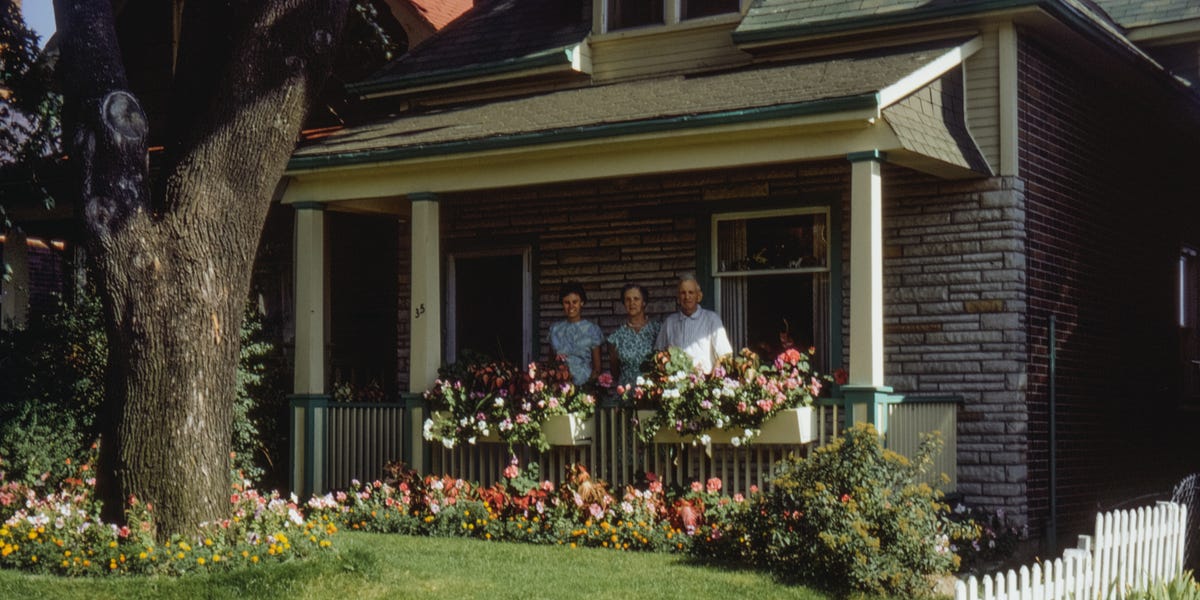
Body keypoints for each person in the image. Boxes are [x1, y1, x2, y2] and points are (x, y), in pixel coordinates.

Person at [655, 274, 733, 373]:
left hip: (703, 382)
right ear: (678, 297)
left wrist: (713, 381)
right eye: (683, 293)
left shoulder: (712, 319)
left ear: (699, 296)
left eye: (691, 292)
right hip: (675, 383)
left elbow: (724, 354)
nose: (687, 297)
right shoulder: (669, 322)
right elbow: (658, 353)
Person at [607, 283, 662, 389]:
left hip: (651, 392)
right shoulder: (616, 337)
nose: (632, 303)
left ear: (644, 302)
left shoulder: (658, 330)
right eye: (628, 300)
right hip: (626, 393)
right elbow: (615, 371)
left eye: (636, 299)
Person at [548, 281, 603, 386]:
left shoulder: (592, 330)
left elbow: (597, 368)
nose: (571, 306)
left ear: (582, 302)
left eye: (575, 302)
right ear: (562, 304)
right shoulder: (555, 330)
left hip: (585, 389)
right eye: (567, 302)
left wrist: (587, 391)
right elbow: (551, 364)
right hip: (560, 389)